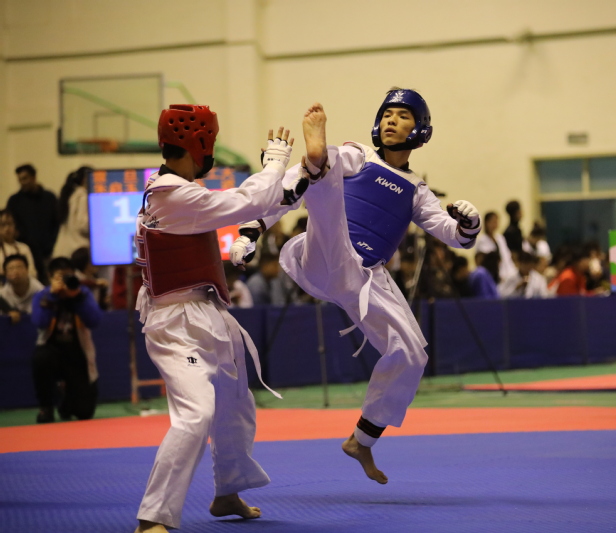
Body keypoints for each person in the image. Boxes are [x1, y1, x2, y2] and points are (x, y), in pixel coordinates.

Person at [231, 90, 481, 484]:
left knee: (411, 353)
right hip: (323, 255)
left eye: (402, 116)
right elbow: (305, 180)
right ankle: (308, 168)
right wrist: (251, 231)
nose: (391, 120)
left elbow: (454, 236)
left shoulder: (416, 190)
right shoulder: (358, 154)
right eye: (387, 114)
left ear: (420, 130)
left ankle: (362, 440)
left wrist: (469, 224)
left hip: (365, 279)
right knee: (324, 171)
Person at [132, 104, 309, 533]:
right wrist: (274, 165)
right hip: (176, 322)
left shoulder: (174, 188)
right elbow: (245, 201)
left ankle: (228, 491)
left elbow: (250, 203)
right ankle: (153, 517)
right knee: (197, 414)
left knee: (235, 403)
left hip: (205, 310)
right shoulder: (173, 195)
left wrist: (290, 180)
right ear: (200, 144)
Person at [30, 257, 102, 423]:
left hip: (77, 355)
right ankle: (46, 407)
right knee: (40, 358)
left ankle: (66, 402)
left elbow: (95, 321)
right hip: (51, 352)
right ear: (50, 277)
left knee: (84, 412)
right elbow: (40, 323)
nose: (65, 281)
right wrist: (52, 297)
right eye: (60, 277)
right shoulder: (42, 295)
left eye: (68, 276)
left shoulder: (82, 293)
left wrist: (77, 298)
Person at [6, 164, 59, 283]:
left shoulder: (49, 198)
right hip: (25, 251)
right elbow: (12, 225)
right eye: (20, 180)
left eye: (25, 178)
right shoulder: (14, 201)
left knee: (48, 282)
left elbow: (56, 223)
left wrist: (51, 244)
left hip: (46, 252)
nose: (22, 183)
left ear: (33, 177)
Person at [52, 166, 92, 259]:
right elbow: (83, 224)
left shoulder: (70, 195)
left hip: (64, 249)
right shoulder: (83, 197)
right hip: (78, 250)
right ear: (85, 179)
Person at [475, 211, 517, 297]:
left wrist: (512, 273)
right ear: (486, 223)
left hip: (506, 273)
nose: (495, 224)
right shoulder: (482, 240)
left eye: (496, 221)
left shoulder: (500, 238)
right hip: (492, 276)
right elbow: (483, 262)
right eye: (493, 221)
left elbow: (507, 257)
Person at [0, 254, 44, 322]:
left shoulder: (40, 291)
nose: (16, 271)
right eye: (11, 268)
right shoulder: (2, 295)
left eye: (19, 267)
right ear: (5, 274)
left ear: (27, 270)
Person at [0, 209, 38, 281]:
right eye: (3, 225)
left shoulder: (23, 248)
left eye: (10, 224)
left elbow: (32, 273)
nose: (7, 228)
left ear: (15, 226)